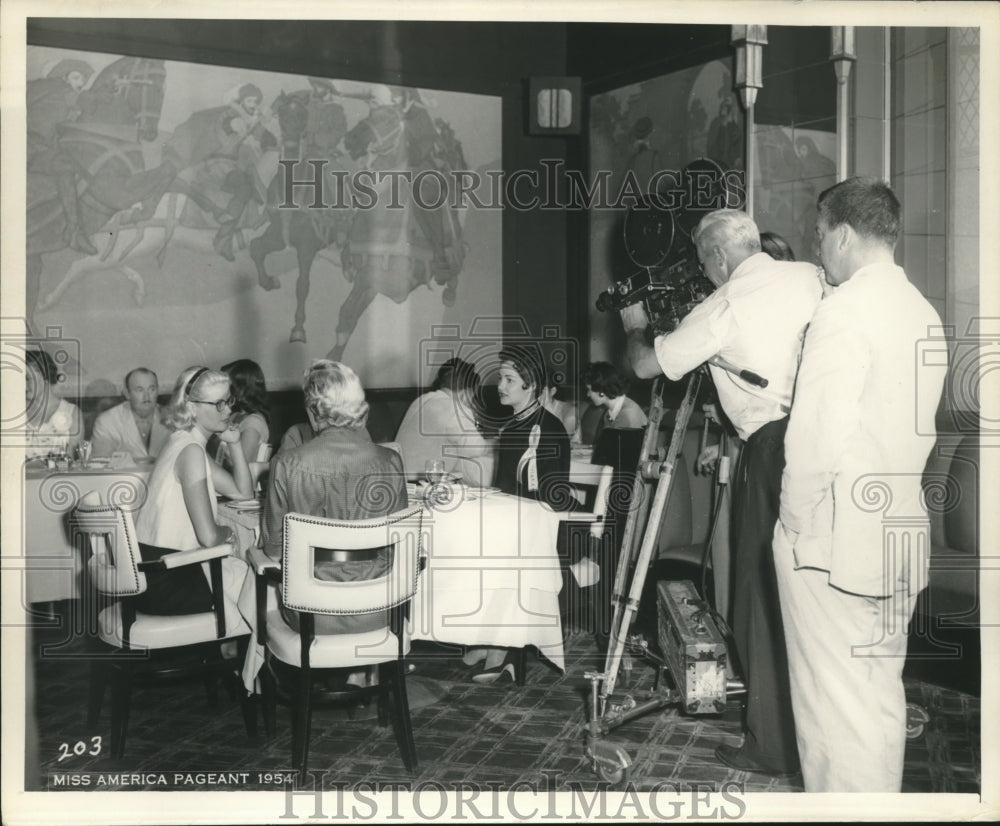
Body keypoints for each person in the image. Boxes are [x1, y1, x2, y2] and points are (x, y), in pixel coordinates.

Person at [620, 208, 822, 776]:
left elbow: (643, 364)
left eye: (705, 264)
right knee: (811, 587)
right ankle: (811, 730)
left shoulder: (724, 305)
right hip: (828, 437)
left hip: (772, 444)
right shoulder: (809, 275)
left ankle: (771, 745)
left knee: (758, 590)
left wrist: (637, 321)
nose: (706, 274)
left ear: (714, 257)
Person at [774, 177, 946, 792]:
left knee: (829, 710)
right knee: (876, 700)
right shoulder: (923, 310)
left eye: (819, 235)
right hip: (899, 534)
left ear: (842, 234)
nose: (817, 248)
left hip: (834, 542)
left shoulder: (843, 312)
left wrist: (792, 524)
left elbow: (814, 440)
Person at [261, 360, 408, 642]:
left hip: (312, 612)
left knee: (255, 593)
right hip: (378, 607)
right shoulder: (391, 461)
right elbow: (399, 543)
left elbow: (274, 551)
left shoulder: (286, 464)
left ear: (312, 412)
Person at [470, 346, 571, 684]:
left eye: (509, 379)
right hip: (517, 523)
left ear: (531, 385)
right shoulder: (514, 427)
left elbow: (552, 496)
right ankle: (493, 640)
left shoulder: (550, 429)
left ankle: (502, 654)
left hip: (540, 529)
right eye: (501, 377)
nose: (501, 385)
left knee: (501, 558)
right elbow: (504, 486)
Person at [133, 367, 253, 616]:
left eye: (228, 401)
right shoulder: (191, 452)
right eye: (218, 404)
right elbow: (209, 537)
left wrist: (236, 444)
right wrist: (230, 532)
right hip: (169, 581)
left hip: (156, 572)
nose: (229, 410)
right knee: (259, 589)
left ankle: (235, 648)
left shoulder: (183, 441)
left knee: (249, 585)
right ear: (192, 406)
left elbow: (243, 493)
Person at [26, 59, 98, 255]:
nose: (80, 83)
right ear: (64, 77)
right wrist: (105, 90)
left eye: (83, 80)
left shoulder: (48, 94)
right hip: (29, 149)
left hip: (33, 148)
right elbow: (83, 100)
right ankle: (74, 232)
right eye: (76, 77)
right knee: (65, 166)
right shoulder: (56, 87)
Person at [395, 358, 494, 486]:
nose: (472, 402)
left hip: (400, 478)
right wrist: (495, 443)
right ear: (466, 392)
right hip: (421, 483)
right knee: (484, 464)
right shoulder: (455, 408)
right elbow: (476, 449)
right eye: (473, 396)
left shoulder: (421, 400)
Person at [91, 367, 169, 459]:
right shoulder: (107, 421)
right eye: (140, 390)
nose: (147, 396)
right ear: (127, 394)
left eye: (152, 389)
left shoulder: (173, 418)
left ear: (158, 391)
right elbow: (100, 463)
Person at [23, 349, 84, 460]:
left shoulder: (72, 413)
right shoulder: (12, 411)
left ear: (46, 376)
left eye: (27, 379)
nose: (23, 385)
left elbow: (72, 461)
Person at [215, 359, 270, 467]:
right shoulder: (236, 415)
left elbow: (241, 465)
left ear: (241, 389)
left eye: (225, 385)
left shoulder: (254, 423)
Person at [581, 361, 648, 444]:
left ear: (601, 392)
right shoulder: (610, 413)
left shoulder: (627, 414)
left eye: (589, 390)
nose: (588, 394)